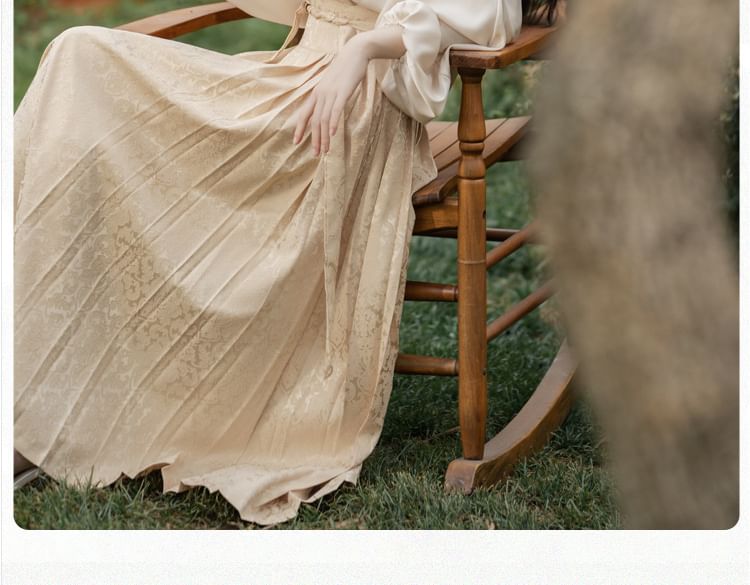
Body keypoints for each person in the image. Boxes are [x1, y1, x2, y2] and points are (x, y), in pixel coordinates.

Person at [13, 0, 556, 526]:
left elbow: (487, 14)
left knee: (82, 59)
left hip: (350, 105)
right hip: (292, 74)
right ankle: (35, 388)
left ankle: (64, 403)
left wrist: (363, 48)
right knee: (77, 54)